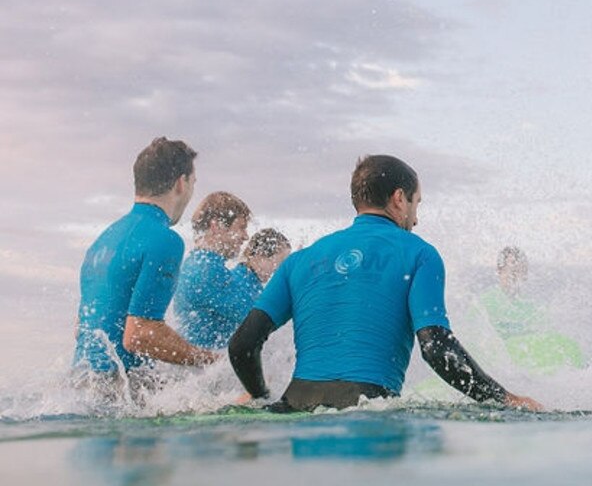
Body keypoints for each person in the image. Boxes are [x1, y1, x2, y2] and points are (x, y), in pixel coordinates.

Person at [228, 154, 541, 412]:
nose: (416, 219)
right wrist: (504, 398)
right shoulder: (419, 254)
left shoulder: (299, 260)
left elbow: (242, 345)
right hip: (367, 410)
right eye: (417, 204)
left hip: (293, 406)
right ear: (399, 199)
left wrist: (262, 397)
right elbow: (436, 348)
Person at [74, 137, 219, 385]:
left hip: (79, 380)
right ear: (181, 183)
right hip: (119, 387)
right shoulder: (165, 240)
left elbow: (81, 328)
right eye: (193, 183)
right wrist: (211, 361)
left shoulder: (102, 241)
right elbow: (139, 335)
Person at [476, 247, 585, 374]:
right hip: (503, 364)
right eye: (511, 270)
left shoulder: (531, 306)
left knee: (570, 346)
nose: (515, 276)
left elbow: (547, 333)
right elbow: (477, 341)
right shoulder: (484, 302)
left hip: (530, 363)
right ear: (499, 271)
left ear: (525, 275)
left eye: (520, 271)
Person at [172, 192, 255, 350]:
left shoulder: (198, 263)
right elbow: (257, 318)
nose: (246, 237)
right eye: (241, 228)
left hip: (198, 369)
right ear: (216, 226)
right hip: (206, 369)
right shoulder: (207, 270)